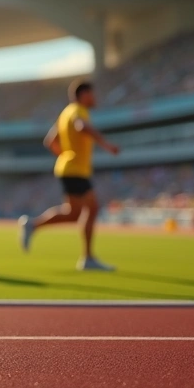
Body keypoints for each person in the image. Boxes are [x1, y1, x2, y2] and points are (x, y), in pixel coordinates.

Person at [19, 79, 121, 271]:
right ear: (83, 95)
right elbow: (82, 127)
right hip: (75, 171)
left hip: (69, 169)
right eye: (92, 94)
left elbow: (50, 141)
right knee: (92, 207)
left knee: (74, 213)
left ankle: (33, 225)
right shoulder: (78, 112)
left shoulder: (64, 113)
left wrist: (65, 156)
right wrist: (106, 145)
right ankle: (87, 258)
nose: (95, 98)